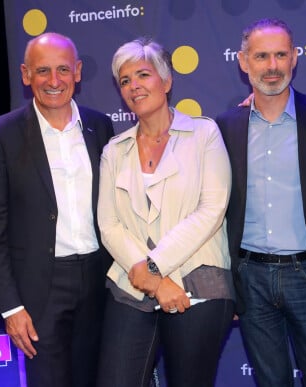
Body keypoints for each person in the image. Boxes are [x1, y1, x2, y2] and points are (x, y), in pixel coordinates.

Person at [96, 37, 234, 387]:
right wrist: (151, 278)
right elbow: (109, 225)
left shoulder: (204, 133)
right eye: (125, 81)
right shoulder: (114, 150)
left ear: (167, 80)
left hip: (198, 281)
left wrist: (154, 268)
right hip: (132, 283)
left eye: (143, 75)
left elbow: (212, 209)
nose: (134, 86)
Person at [0, 32, 114, 387]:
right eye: (42, 71)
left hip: (99, 283)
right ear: (25, 75)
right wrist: (10, 306)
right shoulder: (2, 134)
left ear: (78, 72)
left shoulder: (100, 127)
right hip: (40, 289)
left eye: (63, 70)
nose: (54, 81)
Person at [216, 18, 306, 386]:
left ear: (294, 59)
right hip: (251, 278)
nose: (271, 66)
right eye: (261, 56)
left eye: (280, 55)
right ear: (243, 62)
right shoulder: (224, 127)